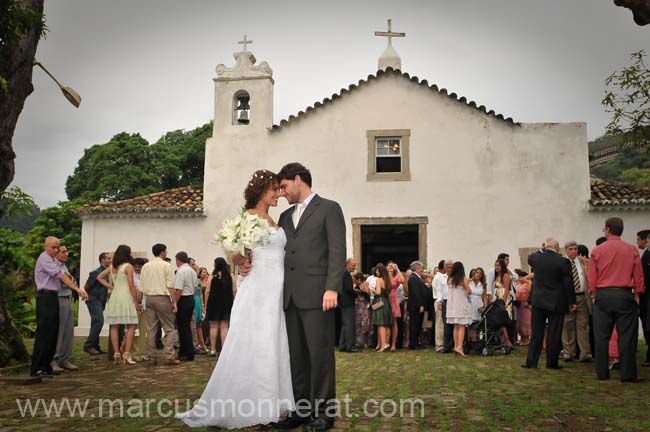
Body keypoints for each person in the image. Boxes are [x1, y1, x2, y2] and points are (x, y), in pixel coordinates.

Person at [177, 169, 295, 428]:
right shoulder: (249, 218)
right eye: (274, 189)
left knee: (274, 341)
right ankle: (256, 405)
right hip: (259, 288)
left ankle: (273, 400)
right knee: (257, 342)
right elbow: (236, 257)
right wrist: (243, 257)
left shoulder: (276, 220)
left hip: (278, 288)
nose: (278, 194)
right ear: (262, 191)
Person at [273, 162, 346, 430]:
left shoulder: (329, 208)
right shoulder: (283, 217)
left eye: (284, 186)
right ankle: (301, 411)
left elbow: (337, 251)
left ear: (298, 179)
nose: (282, 193)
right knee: (297, 357)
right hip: (289, 296)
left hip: (318, 295)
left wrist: (332, 288)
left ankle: (325, 414)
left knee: (320, 355)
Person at [588, 217, 645, 382]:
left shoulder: (597, 251)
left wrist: (593, 293)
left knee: (601, 336)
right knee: (627, 337)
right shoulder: (632, 249)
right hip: (624, 294)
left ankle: (602, 373)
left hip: (603, 295)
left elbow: (593, 276)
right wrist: (637, 293)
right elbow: (638, 275)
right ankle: (627, 374)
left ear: (607, 229)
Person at [30, 237, 83, 378]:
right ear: (45, 246)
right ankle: (37, 367)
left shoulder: (54, 261)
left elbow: (67, 276)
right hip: (45, 296)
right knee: (44, 333)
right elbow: (61, 276)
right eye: (53, 247)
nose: (55, 250)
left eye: (57, 248)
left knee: (53, 333)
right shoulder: (44, 259)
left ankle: (46, 365)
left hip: (54, 296)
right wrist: (77, 289)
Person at [523, 237, 576, 370]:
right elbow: (568, 283)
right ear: (557, 247)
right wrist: (572, 301)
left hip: (538, 300)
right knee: (554, 333)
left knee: (536, 332)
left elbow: (530, 258)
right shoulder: (563, 262)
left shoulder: (536, 258)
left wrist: (541, 249)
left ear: (545, 247)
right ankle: (552, 362)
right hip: (556, 302)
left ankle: (532, 362)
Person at [97, 245, 142, 365]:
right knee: (132, 325)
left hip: (115, 296)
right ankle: (126, 353)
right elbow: (131, 285)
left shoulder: (112, 267)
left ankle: (116, 353)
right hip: (126, 296)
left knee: (114, 326)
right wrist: (136, 302)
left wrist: (111, 286)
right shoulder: (128, 266)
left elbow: (99, 277)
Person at [139, 243, 179, 366]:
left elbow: (141, 286)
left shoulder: (146, 266)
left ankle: (151, 357)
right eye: (166, 251)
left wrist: (139, 302)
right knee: (169, 328)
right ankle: (169, 356)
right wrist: (174, 302)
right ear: (162, 252)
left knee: (151, 329)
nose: (166, 253)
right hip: (162, 298)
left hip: (149, 298)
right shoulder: (167, 265)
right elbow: (170, 285)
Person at [52, 246, 87, 373]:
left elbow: (71, 280)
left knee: (68, 330)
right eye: (63, 252)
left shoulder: (64, 266)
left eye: (67, 251)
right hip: (58, 298)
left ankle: (64, 358)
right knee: (59, 330)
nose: (67, 254)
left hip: (67, 297)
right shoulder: (53, 265)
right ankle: (53, 360)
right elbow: (63, 280)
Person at [561, 241, 593, 362]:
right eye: (571, 249)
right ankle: (569, 353)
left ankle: (585, 353)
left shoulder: (583, 262)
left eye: (575, 249)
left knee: (583, 325)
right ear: (566, 250)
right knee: (567, 325)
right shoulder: (563, 263)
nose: (573, 251)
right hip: (568, 297)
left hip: (582, 297)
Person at [205, 257, 235, 356]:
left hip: (213, 303)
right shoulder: (230, 276)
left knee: (213, 326)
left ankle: (213, 349)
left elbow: (207, 291)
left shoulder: (212, 276)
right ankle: (224, 350)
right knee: (224, 327)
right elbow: (234, 290)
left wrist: (205, 304)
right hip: (227, 302)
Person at [83, 252, 112, 356]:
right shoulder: (95, 273)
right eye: (108, 258)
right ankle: (88, 346)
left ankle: (95, 346)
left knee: (96, 322)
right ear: (102, 260)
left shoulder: (108, 272)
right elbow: (86, 286)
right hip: (94, 299)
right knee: (99, 321)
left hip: (101, 300)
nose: (110, 260)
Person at [173, 251, 198, 361]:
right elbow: (195, 287)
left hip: (183, 299)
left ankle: (186, 352)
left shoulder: (181, 271)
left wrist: (174, 302)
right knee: (186, 326)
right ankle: (188, 350)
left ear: (178, 260)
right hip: (190, 298)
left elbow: (179, 289)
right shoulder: (192, 271)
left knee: (182, 327)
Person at [446, 262, 472, 356]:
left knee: (455, 327)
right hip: (460, 305)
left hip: (452, 306)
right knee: (462, 326)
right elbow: (469, 291)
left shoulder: (450, 279)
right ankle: (459, 347)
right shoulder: (463, 278)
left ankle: (456, 346)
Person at [636, 229, 650, 367]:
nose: (637, 242)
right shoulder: (645, 254)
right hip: (645, 294)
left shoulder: (647, 255)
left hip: (646, 295)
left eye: (638, 239)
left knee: (647, 324)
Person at [371, 263, 393, 352]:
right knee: (386, 324)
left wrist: (373, 290)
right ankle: (386, 343)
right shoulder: (387, 280)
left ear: (381, 271)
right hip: (386, 302)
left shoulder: (379, 280)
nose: (376, 272)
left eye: (377, 270)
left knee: (381, 324)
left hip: (379, 301)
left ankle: (383, 344)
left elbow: (378, 292)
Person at [339, 259, 359, 352]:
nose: (355, 268)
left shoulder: (343, 273)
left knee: (345, 325)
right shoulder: (346, 274)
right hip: (348, 302)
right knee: (349, 325)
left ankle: (343, 345)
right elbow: (348, 289)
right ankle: (349, 346)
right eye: (353, 265)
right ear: (347, 265)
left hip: (344, 302)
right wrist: (356, 294)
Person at [493, 258, 514, 348]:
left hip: (503, 298)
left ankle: (507, 340)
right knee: (498, 320)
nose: (497, 267)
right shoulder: (496, 275)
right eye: (496, 265)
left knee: (503, 320)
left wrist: (503, 302)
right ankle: (503, 340)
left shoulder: (505, 275)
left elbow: (506, 289)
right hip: (496, 298)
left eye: (499, 265)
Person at [388, 262, 405, 351]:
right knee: (386, 322)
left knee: (394, 322)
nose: (390, 267)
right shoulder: (384, 277)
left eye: (392, 266)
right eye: (389, 265)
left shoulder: (396, 278)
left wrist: (397, 269)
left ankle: (393, 344)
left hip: (394, 299)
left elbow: (402, 280)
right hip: (386, 299)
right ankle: (386, 342)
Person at [353, 272, 371, 348]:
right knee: (357, 324)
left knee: (365, 324)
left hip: (364, 306)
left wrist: (360, 291)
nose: (354, 281)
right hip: (357, 306)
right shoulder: (354, 285)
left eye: (355, 280)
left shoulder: (365, 284)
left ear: (359, 279)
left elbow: (367, 295)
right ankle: (358, 342)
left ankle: (366, 342)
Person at [194, 267, 209, 354]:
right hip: (193, 301)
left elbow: (200, 295)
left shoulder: (199, 281)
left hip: (198, 302)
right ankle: (199, 344)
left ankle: (202, 344)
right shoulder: (195, 280)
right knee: (195, 325)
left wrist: (203, 305)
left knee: (199, 324)